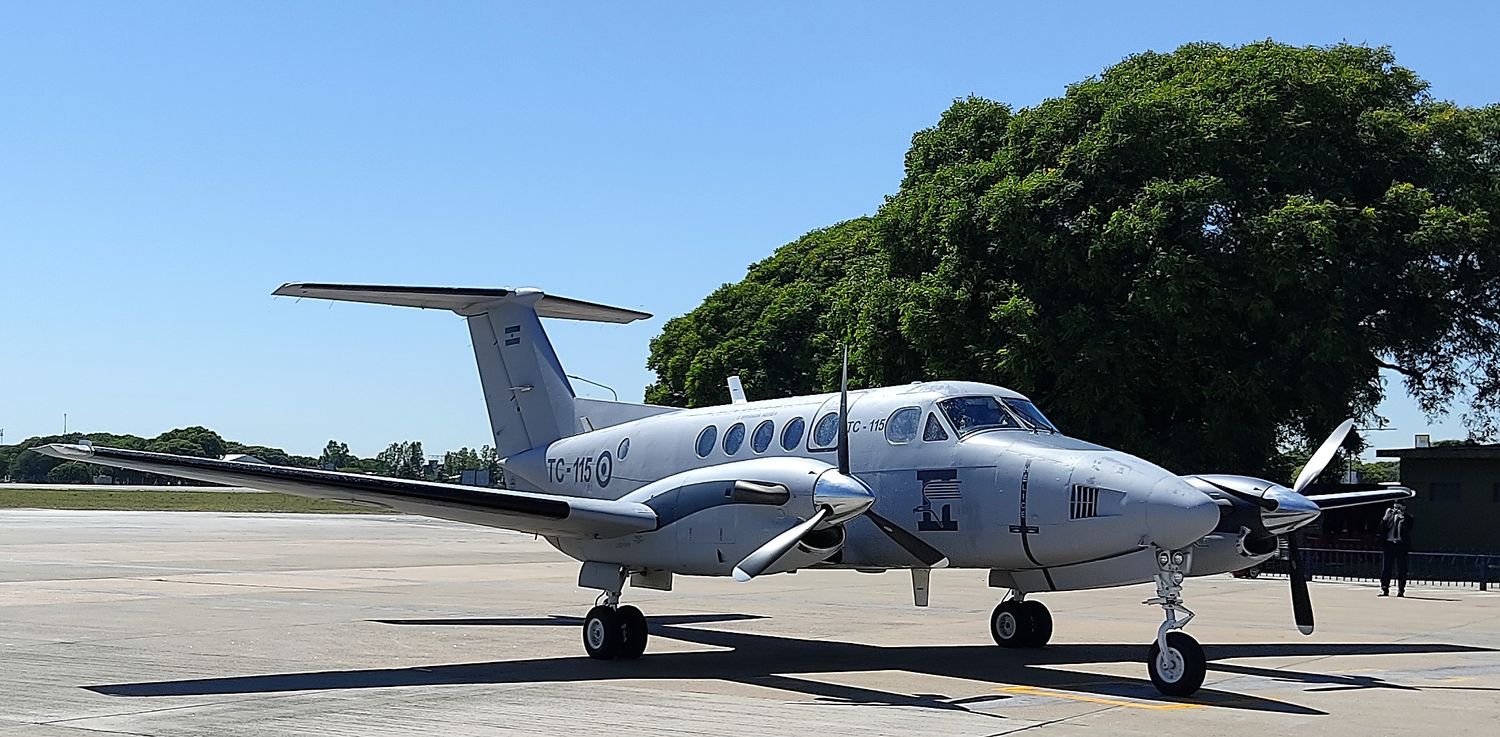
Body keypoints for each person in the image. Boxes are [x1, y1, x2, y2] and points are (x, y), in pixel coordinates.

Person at [1378, 501, 1414, 597]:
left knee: (1402, 569)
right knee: (1386, 568)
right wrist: (1386, 518)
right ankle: (1384, 588)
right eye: (1394, 507)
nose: (1396, 510)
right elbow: (1382, 529)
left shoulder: (1408, 518)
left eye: (1398, 507)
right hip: (1389, 545)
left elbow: (1408, 529)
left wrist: (1402, 519)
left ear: (1403, 508)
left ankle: (1401, 590)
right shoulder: (1389, 518)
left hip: (1401, 545)